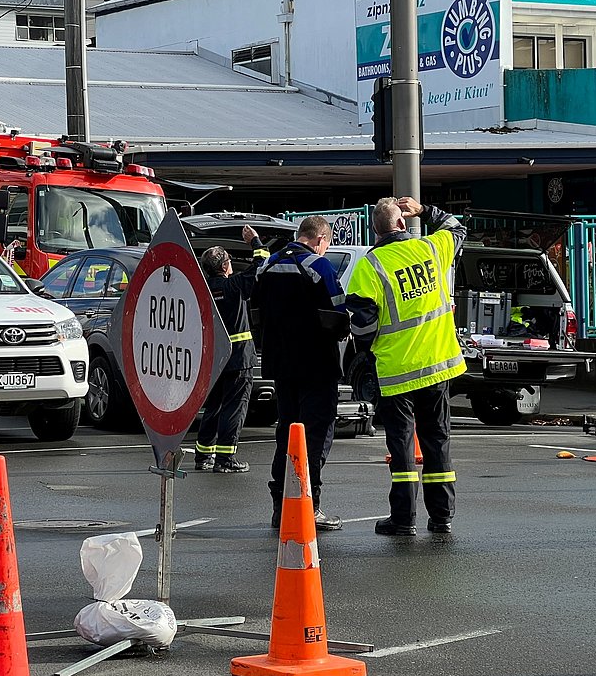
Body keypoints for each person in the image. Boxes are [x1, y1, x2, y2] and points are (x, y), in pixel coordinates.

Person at [346, 196, 467, 536]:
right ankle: (441, 516)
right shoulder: (430, 249)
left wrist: (372, 348)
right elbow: (457, 227)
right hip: (437, 366)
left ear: (375, 229)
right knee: (437, 440)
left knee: (401, 448)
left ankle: (403, 519)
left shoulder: (370, 266)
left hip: (396, 372)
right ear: (402, 224)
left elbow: (362, 325)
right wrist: (425, 210)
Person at [254, 215, 347, 531]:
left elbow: (255, 309)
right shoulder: (319, 267)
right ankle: (310, 505)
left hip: (281, 365)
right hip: (317, 365)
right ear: (321, 239)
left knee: (287, 434)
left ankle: (281, 506)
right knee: (315, 435)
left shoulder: (268, 266)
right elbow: (338, 313)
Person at [194, 227, 267, 474]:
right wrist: (255, 241)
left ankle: (203, 455)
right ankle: (226, 459)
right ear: (226, 266)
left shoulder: (201, 292)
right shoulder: (234, 285)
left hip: (214, 359)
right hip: (239, 358)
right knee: (234, 407)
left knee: (213, 406)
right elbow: (262, 264)